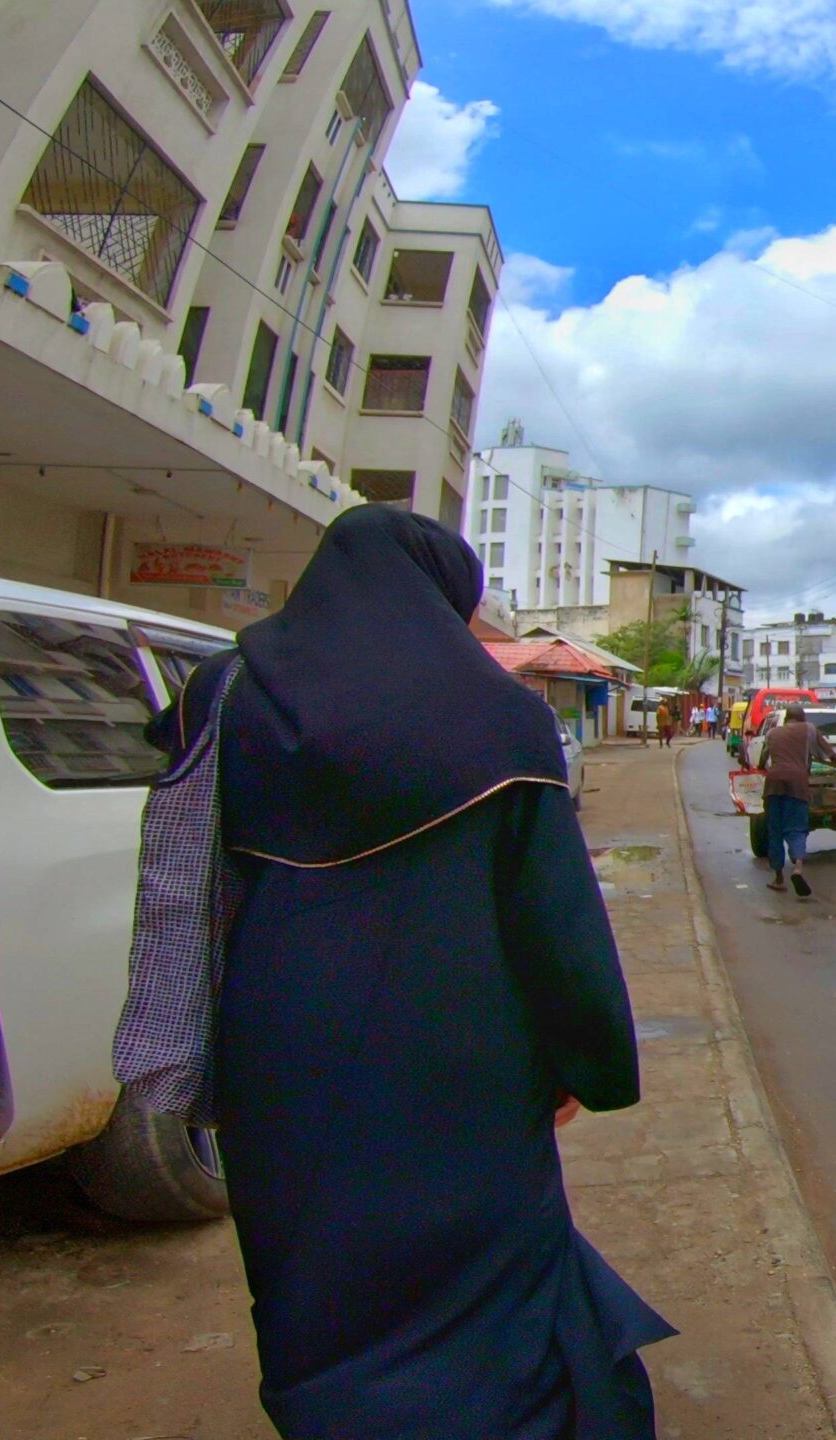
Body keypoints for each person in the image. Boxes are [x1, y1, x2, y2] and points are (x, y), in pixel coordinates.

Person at [150, 507, 673, 1439]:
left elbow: (184, 882)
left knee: (311, 1273)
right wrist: (586, 1065)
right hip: (465, 1063)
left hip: (281, 1053)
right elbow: (553, 921)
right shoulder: (502, 717)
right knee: (484, 1288)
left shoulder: (220, 694)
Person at [753, 707, 836, 897]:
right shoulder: (808, 729)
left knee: (774, 830)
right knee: (796, 829)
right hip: (797, 785)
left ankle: (778, 878)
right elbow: (829, 752)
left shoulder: (772, 732)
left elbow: (763, 758)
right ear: (802, 718)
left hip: (773, 784)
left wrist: (759, 768)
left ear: (787, 719)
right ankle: (798, 866)